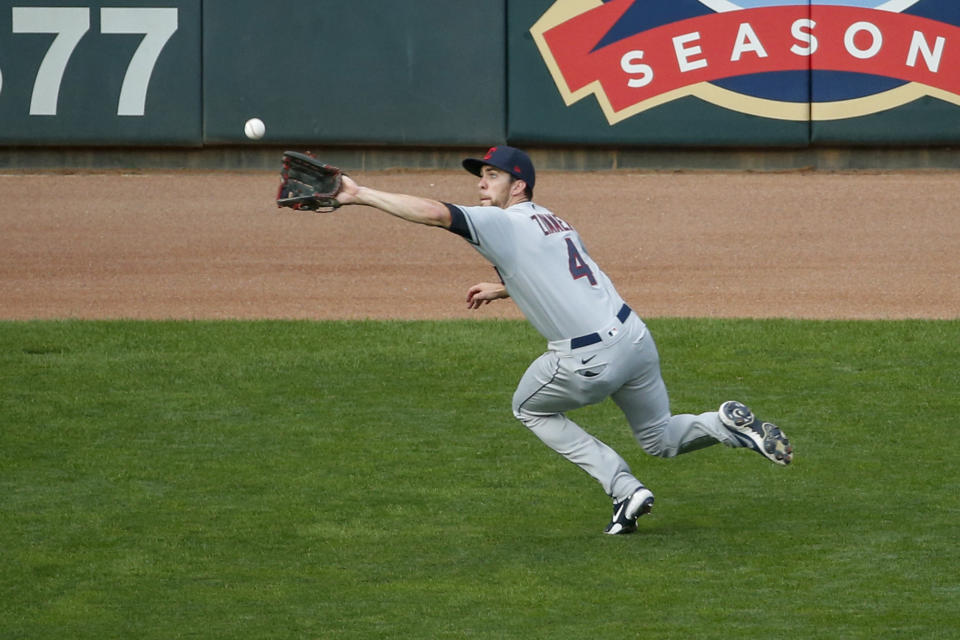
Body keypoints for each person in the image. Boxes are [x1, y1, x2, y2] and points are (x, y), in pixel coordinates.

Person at [333, 145, 793, 534]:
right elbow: (568, 276)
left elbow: (434, 213)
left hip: (591, 358)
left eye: (492, 175)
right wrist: (504, 287)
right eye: (481, 175)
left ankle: (625, 488)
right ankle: (724, 425)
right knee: (660, 439)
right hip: (634, 337)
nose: (481, 183)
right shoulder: (552, 220)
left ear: (519, 186)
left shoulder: (502, 223)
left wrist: (358, 194)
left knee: (528, 407)